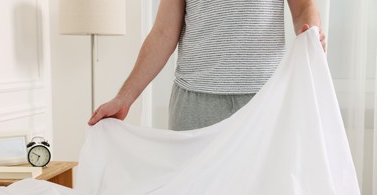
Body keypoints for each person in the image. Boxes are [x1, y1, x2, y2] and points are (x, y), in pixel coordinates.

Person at [88, 0, 326, 130]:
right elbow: (163, 32)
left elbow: (304, 8)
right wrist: (124, 97)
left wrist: (310, 33)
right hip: (195, 104)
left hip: (262, 99)